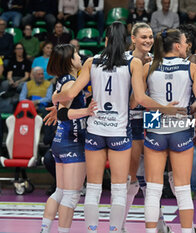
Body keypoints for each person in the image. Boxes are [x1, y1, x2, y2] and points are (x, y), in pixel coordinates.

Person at [51, 21, 144, 233]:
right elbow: (138, 98)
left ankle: (92, 230)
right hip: (119, 130)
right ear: (127, 41)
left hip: (95, 129)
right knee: (119, 189)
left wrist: (55, 97)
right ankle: (114, 230)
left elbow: (71, 94)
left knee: (93, 188)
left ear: (106, 39)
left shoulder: (92, 61)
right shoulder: (134, 63)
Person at [132, 27, 196, 233]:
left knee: (153, 190)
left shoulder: (148, 66)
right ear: (177, 46)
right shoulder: (191, 67)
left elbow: (136, 101)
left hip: (155, 122)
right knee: (183, 190)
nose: (187, 46)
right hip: (180, 124)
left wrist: (159, 105)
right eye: (185, 42)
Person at [122, 22, 173, 233]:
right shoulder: (124, 60)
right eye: (143, 37)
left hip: (152, 118)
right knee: (132, 179)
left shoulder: (158, 61)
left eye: (150, 37)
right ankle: (119, 226)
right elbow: (133, 100)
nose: (148, 41)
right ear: (133, 38)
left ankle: (160, 226)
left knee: (152, 179)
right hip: (130, 119)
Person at [40, 44, 97, 233]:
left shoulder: (64, 81)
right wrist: (87, 111)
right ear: (70, 61)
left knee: (60, 191)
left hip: (60, 142)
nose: (80, 57)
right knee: (71, 196)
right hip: (71, 141)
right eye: (76, 55)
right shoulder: (71, 83)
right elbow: (65, 113)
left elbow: (62, 106)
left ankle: (44, 229)